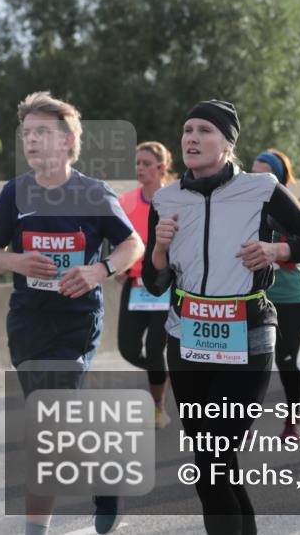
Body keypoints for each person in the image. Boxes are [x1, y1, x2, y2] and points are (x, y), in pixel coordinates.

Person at [142, 100, 300, 535]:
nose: (192, 138)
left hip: (247, 338)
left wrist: (276, 249)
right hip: (187, 339)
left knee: (212, 464)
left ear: (227, 144)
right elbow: (155, 282)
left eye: (204, 130)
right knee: (215, 463)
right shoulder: (166, 198)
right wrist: (160, 248)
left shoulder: (261, 188)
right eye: (187, 130)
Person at [0, 92, 145, 535]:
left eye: (42, 132)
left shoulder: (92, 192)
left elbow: (133, 244)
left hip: (75, 321)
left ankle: (36, 528)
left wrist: (99, 269)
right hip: (28, 320)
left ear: (69, 139)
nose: (32, 141)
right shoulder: (16, 193)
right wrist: (17, 262)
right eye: (27, 134)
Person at [251, 148, 300, 441]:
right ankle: (240, 421)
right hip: (254, 297)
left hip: (290, 297)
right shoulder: (242, 206)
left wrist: (272, 251)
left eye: (264, 175)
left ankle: (294, 418)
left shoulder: (290, 210)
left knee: (285, 361)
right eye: (253, 174)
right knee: (246, 362)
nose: (257, 180)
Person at [117, 142, 176, 430]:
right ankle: (162, 373)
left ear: (161, 168)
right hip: (134, 284)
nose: (139, 168)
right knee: (127, 349)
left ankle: (157, 405)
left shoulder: (174, 201)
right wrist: (118, 265)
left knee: (155, 348)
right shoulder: (125, 200)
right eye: (137, 163)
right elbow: (118, 238)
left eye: (146, 163)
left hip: (163, 285)